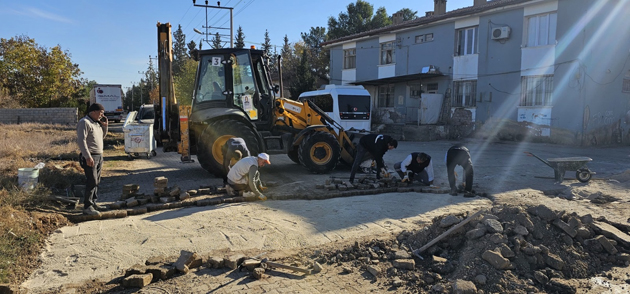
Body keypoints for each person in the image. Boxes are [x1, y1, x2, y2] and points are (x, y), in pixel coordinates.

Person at [77, 103, 109, 215]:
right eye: (101, 112)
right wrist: (87, 156)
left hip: (99, 155)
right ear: (93, 111)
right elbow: (82, 141)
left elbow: (101, 137)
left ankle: (93, 202)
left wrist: (105, 126)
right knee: (92, 180)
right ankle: (87, 206)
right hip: (90, 156)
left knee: (97, 181)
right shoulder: (84, 122)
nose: (102, 115)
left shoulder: (96, 123)